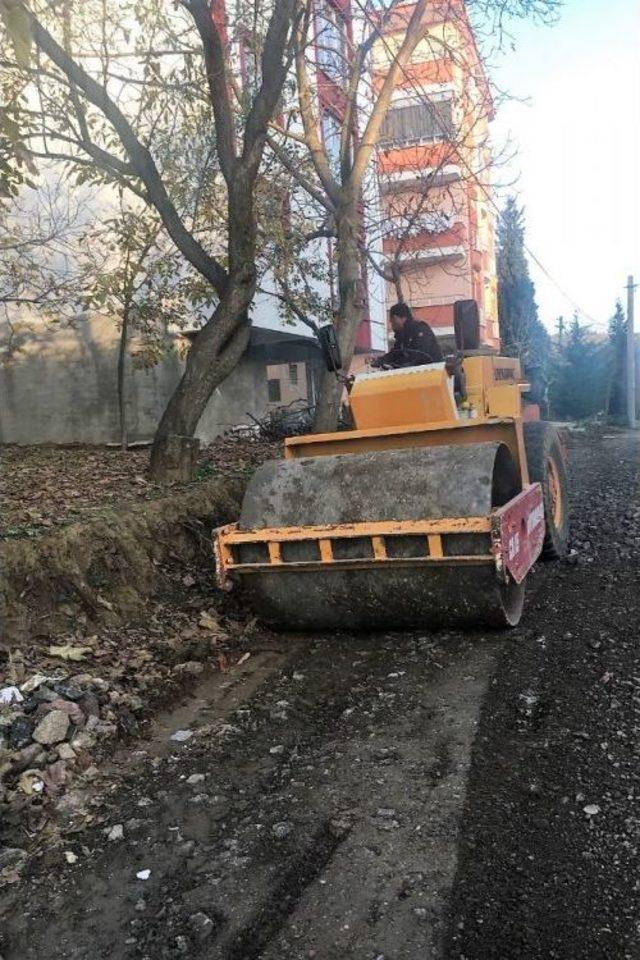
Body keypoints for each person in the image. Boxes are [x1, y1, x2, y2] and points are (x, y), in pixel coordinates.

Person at [371, 302, 444, 369]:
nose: (392, 325)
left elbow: (421, 354)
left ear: (396, 318)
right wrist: (381, 360)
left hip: (432, 371)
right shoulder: (402, 335)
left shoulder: (419, 329)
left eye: (392, 321)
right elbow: (396, 353)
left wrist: (403, 365)